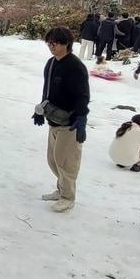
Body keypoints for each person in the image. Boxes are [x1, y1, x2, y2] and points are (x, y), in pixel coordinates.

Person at [32, 26, 90, 213]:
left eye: (54, 43)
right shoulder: (51, 63)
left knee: (66, 162)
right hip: (53, 119)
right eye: (49, 42)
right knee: (53, 160)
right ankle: (61, 189)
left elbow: (83, 96)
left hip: (70, 123)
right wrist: (41, 108)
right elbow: (47, 90)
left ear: (66, 44)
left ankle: (68, 197)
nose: (51, 46)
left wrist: (81, 117)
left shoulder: (75, 67)